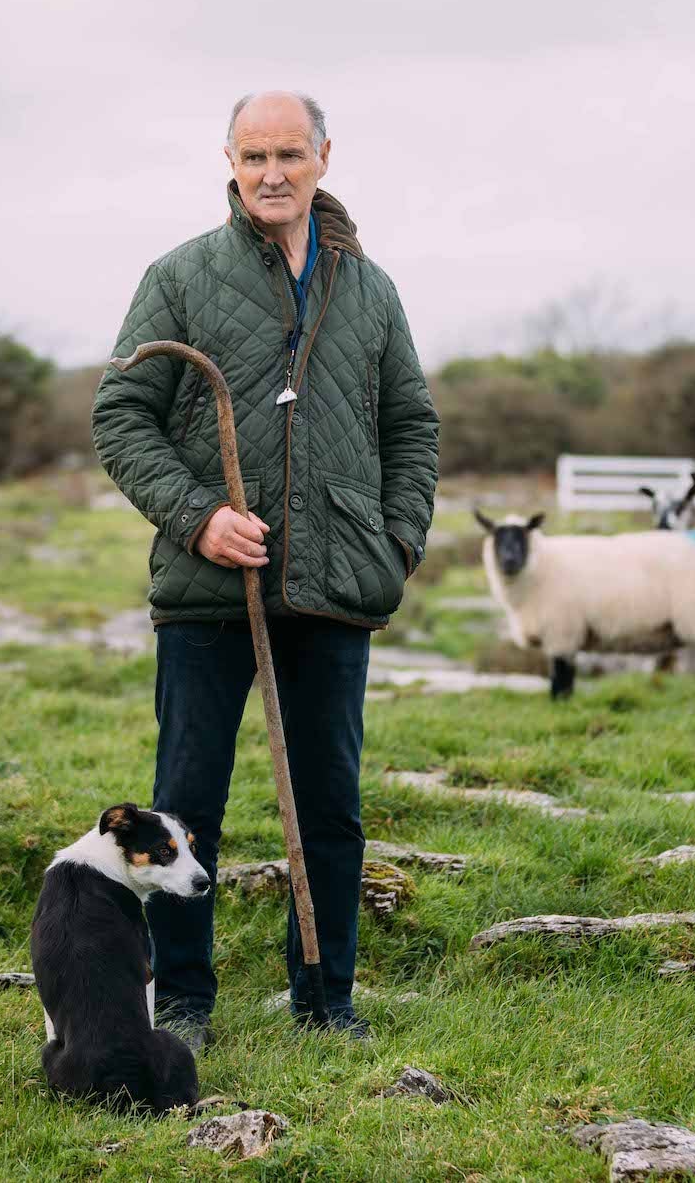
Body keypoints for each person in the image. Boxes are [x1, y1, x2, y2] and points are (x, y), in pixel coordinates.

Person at [92, 91, 439, 1045]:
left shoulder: (368, 290)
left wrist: (395, 541)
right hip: (206, 596)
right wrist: (198, 517)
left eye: (290, 153)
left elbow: (410, 425)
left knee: (329, 802)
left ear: (325, 155)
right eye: (254, 156)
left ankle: (326, 1000)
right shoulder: (181, 276)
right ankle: (185, 1002)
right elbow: (118, 417)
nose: (272, 173)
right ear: (230, 161)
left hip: (333, 587)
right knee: (187, 800)